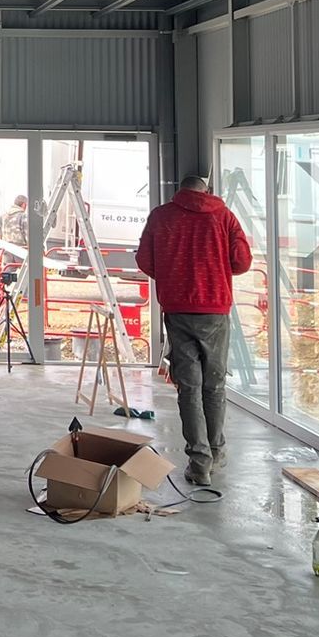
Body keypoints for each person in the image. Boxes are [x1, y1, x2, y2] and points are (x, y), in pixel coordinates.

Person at [135, 174, 252, 487]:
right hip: (215, 311)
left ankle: (199, 462)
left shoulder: (161, 216)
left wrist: (174, 274)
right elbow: (241, 263)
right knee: (214, 385)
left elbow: (145, 260)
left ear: (180, 191)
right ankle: (217, 450)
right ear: (207, 191)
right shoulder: (224, 217)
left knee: (189, 386)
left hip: (178, 310)